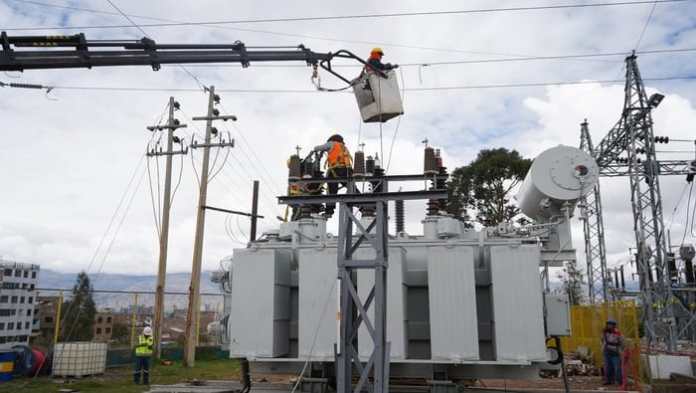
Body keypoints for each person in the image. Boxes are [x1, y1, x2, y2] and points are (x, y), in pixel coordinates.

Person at [312, 134, 353, 218]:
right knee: (351, 187)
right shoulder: (343, 147)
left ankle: (329, 210)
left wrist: (319, 150)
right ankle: (363, 203)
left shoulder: (332, 143)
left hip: (335, 170)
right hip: (346, 170)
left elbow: (317, 148)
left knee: (331, 191)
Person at [601, 319, 624, 385]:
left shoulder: (617, 333)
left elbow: (622, 342)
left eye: (611, 324)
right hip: (607, 351)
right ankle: (608, 380)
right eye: (608, 324)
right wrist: (603, 348)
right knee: (607, 367)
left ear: (614, 325)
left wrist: (621, 350)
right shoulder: (605, 332)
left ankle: (618, 381)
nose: (609, 326)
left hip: (615, 352)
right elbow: (602, 340)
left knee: (617, 367)